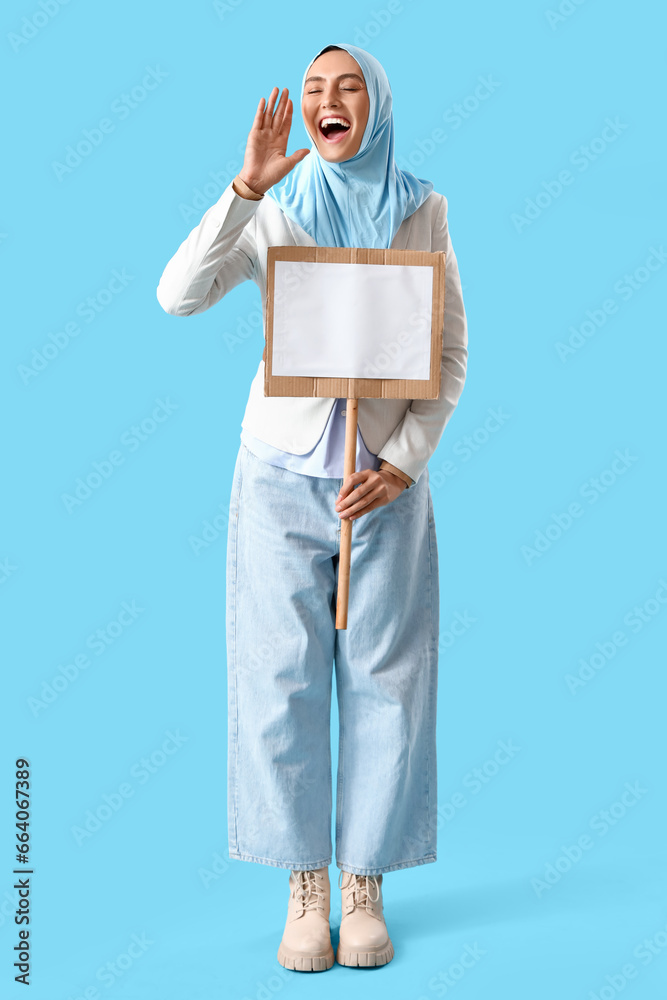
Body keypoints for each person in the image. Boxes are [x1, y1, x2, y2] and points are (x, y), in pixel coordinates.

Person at [156, 42, 468, 972]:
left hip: (380, 484)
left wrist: (405, 462)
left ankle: (365, 880)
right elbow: (178, 298)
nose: (331, 102)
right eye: (314, 92)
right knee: (277, 676)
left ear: (375, 105)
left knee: (388, 676)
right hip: (278, 473)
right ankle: (304, 883)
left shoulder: (423, 209)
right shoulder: (277, 209)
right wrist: (243, 191)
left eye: (349, 89)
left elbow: (447, 357)